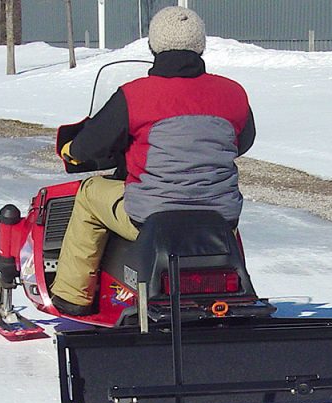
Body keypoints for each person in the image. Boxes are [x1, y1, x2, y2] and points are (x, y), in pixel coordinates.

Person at [51, 6, 256, 316]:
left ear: (153, 45)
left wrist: (70, 150)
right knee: (218, 214)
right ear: (200, 45)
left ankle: (72, 296)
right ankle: (233, 289)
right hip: (220, 217)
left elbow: (90, 145)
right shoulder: (233, 94)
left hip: (152, 216)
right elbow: (243, 141)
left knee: (91, 192)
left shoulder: (135, 95)